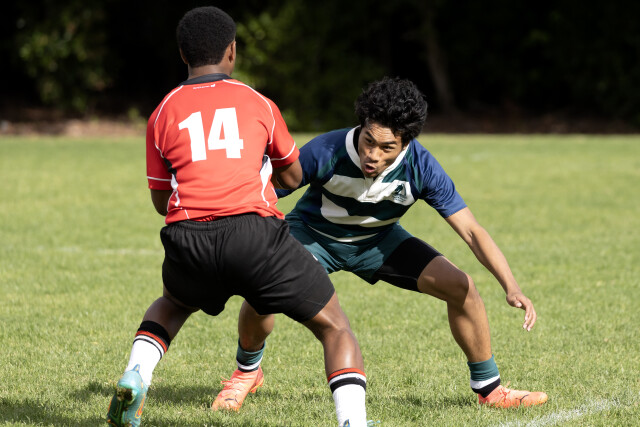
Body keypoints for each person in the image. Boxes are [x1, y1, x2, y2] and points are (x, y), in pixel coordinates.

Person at [106, 7, 368, 427]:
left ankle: (137, 373)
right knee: (334, 326)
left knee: (173, 303)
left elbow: (160, 200)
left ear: (182, 54)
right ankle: (352, 420)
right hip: (254, 234)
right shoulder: (257, 102)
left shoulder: (162, 111)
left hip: (188, 234)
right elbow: (293, 175)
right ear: (232, 51)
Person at [221, 76, 549, 410]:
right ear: (361, 126)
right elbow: (260, 193)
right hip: (312, 235)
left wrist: (511, 286)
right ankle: (247, 373)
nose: (372, 155)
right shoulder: (327, 149)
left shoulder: (421, 166)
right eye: (368, 141)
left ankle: (490, 390)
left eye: (386, 148)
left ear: (406, 143)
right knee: (262, 290)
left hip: (378, 242)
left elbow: (472, 231)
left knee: (462, 287)